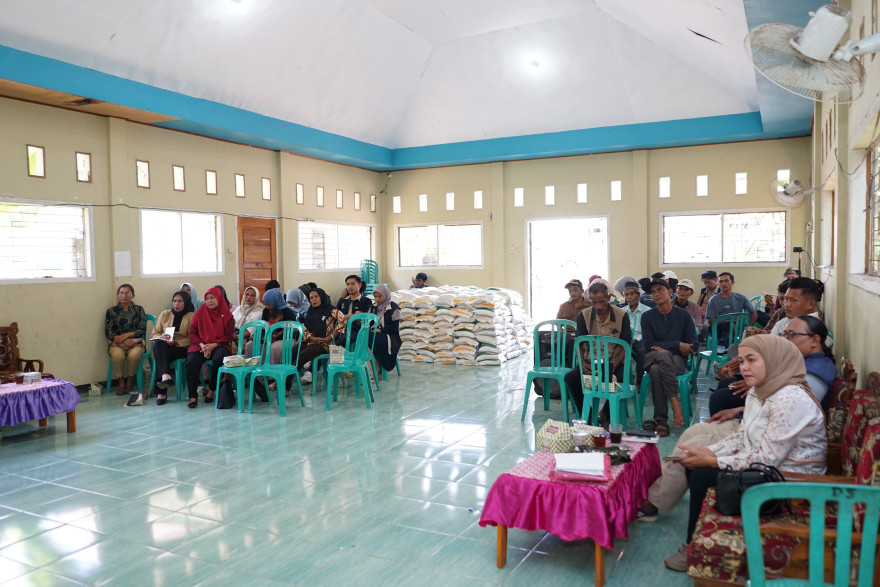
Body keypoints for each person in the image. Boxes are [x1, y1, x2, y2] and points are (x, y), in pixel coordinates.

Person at [662, 335, 827, 572]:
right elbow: (741, 437)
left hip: (791, 484)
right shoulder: (760, 391)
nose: (744, 368)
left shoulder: (790, 398)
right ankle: (698, 539)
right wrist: (708, 451)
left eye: (752, 360)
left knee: (703, 475)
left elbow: (767, 459)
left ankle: (694, 549)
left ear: (775, 359)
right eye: (741, 361)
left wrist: (713, 460)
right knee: (697, 467)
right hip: (768, 471)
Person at [710, 315, 837, 414]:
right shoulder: (805, 359)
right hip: (771, 407)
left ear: (814, 340)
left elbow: (789, 411)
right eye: (784, 334)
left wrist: (741, 409)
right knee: (725, 384)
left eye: (791, 334)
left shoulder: (814, 374)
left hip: (777, 425)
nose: (785, 339)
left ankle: (725, 431)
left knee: (718, 398)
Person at [562, 281, 631, 421]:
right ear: (590, 300)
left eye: (602, 302)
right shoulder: (584, 315)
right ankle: (587, 415)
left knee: (617, 380)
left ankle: (606, 415)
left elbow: (626, 345)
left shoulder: (622, 315)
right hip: (590, 361)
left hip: (614, 361)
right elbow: (579, 343)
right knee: (571, 377)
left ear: (608, 297)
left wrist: (614, 366)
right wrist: (582, 363)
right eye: (594, 303)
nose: (598, 306)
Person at [640, 278, 697, 436]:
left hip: (677, 360)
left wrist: (664, 346)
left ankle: (661, 420)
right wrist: (678, 345)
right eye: (653, 292)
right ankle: (674, 402)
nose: (656, 294)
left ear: (670, 292)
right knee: (662, 355)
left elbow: (693, 345)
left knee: (657, 370)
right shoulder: (647, 317)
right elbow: (648, 345)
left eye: (660, 289)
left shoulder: (684, 315)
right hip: (652, 356)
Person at [185, 286, 233, 408]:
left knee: (219, 358)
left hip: (220, 344)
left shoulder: (227, 315)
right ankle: (192, 395)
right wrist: (202, 345)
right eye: (207, 298)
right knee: (191, 360)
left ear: (219, 298)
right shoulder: (200, 313)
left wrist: (214, 345)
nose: (209, 301)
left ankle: (211, 390)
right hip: (201, 344)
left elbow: (228, 336)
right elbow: (193, 333)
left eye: (212, 298)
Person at [150, 290, 195, 406]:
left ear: (186, 302)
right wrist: (162, 337)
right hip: (164, 346)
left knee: (160, 356)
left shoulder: (191, 316)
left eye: (180, 301)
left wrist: (175, 343)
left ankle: (161, 393)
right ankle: (165, 375)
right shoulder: (165, 314)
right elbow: (154, 333)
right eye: (174, 301)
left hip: (181, 347)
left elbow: (192, 337)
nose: (176, 304)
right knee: (158, 344)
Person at [298, 288, 348, 384]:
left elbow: (343, 320)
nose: (314, 300)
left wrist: (331, 337)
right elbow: (305, 327)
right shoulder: (311, 310)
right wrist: (312, 338)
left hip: (325, 344)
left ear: (321, 297)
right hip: (311, 340)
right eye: (311, 298)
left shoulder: (330, 309)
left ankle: (285, 382)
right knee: (293, 352)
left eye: (316, 297)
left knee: (303, 355)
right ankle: (284, 380)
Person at [105, 283, 147, 396]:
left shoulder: (139, 309)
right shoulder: (111, 311)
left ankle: (129, 381)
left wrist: (127, 336)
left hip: (136, 343)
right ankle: (121, 383)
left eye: (127, 293)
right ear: (118, 295)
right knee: (118, 356)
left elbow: (142, 329)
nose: (124, 296)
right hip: (117, 343)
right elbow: (108, 332)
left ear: (133, 295)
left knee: (134, 355)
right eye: (121, 293)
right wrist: (123, 340)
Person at [705, 271, 757, 345]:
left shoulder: (741, 297)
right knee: (727, 327)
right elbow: (710, 320)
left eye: (726, 281)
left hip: (737, 328)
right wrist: (728, 324)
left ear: (732, 282)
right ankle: (731, 348)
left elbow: (754, 313)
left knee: (730, 330)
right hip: (719, 327)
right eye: (721, 282)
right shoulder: (713, 300)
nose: (723, 284)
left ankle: (727, 348)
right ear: (718, 284)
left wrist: (747, 327)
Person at [622, 281, 651, 386]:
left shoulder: (647, 311)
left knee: (642, 351)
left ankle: (639, 381)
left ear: (638, 295)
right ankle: (620, 380)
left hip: (641, 339)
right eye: (626, 295)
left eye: (632, 294)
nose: (629, 297)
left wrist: (636, 339)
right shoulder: (622, 311)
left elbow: (648, 331)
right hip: (626, 339)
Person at [369, 284, 402, 372]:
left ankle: (372, 372)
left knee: (370, 339)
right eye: (375, 296)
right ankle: (372, 371)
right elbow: (369, 322)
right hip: (374, 334)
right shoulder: (373, 307)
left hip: (389, 336)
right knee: (364, 338)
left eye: (380, 296)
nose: (377, 299)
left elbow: (394, 328)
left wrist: (380, 330)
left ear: (386, 295)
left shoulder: (394, 308)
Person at [336, 275, 372, 346]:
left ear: (359, 285)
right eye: (348, 284)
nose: (350, 287)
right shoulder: (342, 300)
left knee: (342, 340)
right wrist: (350, 316)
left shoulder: (365, 300)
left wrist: (342, 317)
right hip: (341, 328)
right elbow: (336, 316)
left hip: (357, 330)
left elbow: (357, 317)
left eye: (353, 284)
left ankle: (337, 351)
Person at [696, 270, 718, 341]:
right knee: (691, 324)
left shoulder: (720, 291)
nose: (706, 285)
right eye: (705, 283)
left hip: (712, 316)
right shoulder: (703, 291)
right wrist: (698, 312)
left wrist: (706, 314)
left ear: (715, 280)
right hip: (701, 314)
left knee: (705, 326)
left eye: (708, 282)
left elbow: (720, 308)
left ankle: (699, 341)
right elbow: (698, 304)